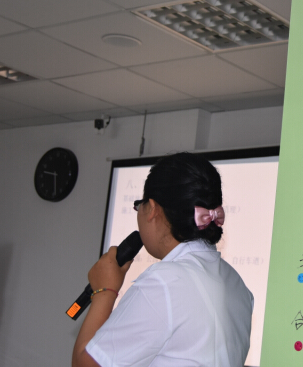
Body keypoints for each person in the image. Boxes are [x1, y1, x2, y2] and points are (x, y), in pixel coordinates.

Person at [72, 152, 254, 367]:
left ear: (152, 209)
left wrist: (104, 291)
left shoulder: (164, 282)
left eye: (139, 205)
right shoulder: (238, 286)